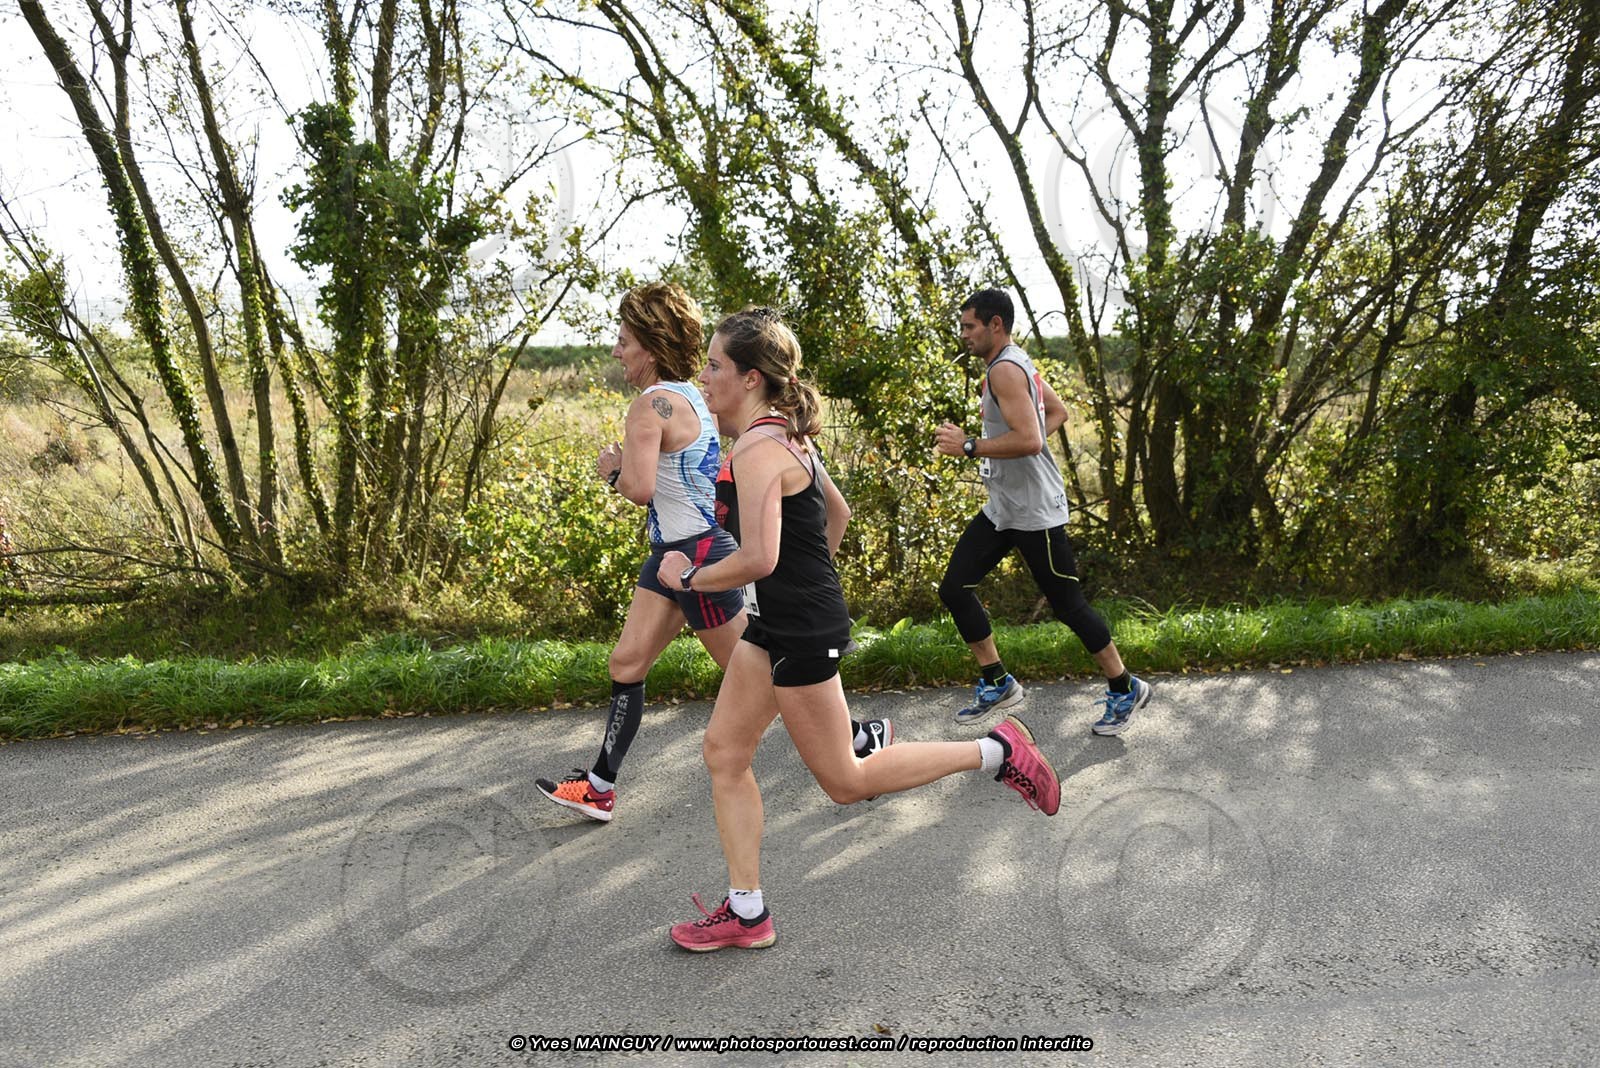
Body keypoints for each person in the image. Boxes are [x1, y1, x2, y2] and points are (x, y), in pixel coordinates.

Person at [656, 307, 1060, 952]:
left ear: (751, 378)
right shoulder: (781, 436)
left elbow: (758, 558)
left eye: (713, 365)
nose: (702, 378)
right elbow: (835, 516)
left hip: (796, 630)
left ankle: (998, 751)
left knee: (846, 781)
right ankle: (747, 911)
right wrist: (804, 584)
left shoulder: (759, 450)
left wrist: (689, 578)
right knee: (725, 752)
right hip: (778, 623)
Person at [536, 284, 890, 823]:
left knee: (763, 678)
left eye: (624, 340)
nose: (616, 350)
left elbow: (639, 488)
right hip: (673, 553)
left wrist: (612, 470)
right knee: (627, 662)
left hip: (697, 554)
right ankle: (600, 786)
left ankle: (859, 738)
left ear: (650, 344)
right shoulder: (696, 397)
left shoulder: (651, 406)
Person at [934, 288, 1151, 736]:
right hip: (1004, 507)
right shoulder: (1013, 362)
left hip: (1035, 512)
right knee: (955, 588)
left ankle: (1125, 686)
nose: (964, 335)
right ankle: (997, 681)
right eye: (962, 327)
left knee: (1068, 605)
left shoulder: (1005, 370)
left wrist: (971, 446)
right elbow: (1057, 412)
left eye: (970, 326)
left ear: (996, 325)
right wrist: (1013, 454)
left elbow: (1031, 439)